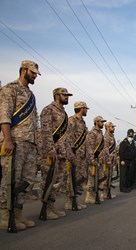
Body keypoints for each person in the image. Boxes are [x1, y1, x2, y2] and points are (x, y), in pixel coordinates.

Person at [0, 60, 41, 230]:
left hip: (30, 144)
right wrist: (7, 139)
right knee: (10, 179)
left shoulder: (31, 96)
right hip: (15, 142)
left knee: (27, 179)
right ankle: (4, 215)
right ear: (23, 70)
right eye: (32, 73)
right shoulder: (10, 89)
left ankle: (18, 214)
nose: (34, 76)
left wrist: (36, 143)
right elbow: (4, 116)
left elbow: (35, 121)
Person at [40, 87, 73, 219]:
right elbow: (46, 131)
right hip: (52, 152)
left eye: (67, 95)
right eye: (64, 95)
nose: (67, 97)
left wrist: (69, 151)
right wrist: (50, 148)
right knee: (48, 180)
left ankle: (51, 207)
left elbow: (67, 136)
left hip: (62, 153)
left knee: (57, 181)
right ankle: (46, 209)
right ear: (56, 96)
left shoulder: (64, 114)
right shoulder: (49, 109)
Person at [65, 101, 89, 210]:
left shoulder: (83, 122)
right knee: (71, 178)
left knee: (80, 177)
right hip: (74, 154)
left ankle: (76, 200)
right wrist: (70, 152)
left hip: (82, 155)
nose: (86, 110)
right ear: (81, 108)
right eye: (85, 108)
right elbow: (68, 137)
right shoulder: (71, 120)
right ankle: (70, 201)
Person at [85, 116, 107, 204]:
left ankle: (95, 195)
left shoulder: (100, 133)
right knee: (92, 179)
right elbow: (89, 147)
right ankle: (89, 196)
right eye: (101, 122)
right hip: (94, 160)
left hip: (100, 160)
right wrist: (92, 159)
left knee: (99, 178)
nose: (103, 123)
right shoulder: (92, 133)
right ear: (96, 122)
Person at [103, 122, 117, 199]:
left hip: (112, 160)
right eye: (112, 127)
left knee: (109, 177)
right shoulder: (106, 137)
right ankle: (104, 193)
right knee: (105, 177)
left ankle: (108, 193)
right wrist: (108, 161)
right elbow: (105, 151)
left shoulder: (112, 137)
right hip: (107, 161)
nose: (113, 128)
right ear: (107, 127)